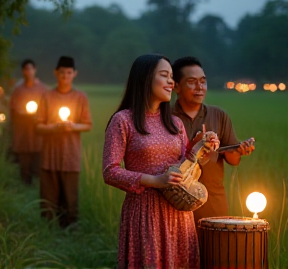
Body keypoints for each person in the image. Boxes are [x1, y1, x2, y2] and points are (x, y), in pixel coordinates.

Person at [103, 54, 210, 269]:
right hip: (145, 214)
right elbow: (110, 171)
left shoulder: (175, 124)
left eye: (172, 76)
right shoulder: (123, 121)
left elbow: (186, 168)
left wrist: (200, 149)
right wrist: (155, 180)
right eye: (164, 75)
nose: (171, 82)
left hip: (179, 215)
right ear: (145, 79)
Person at [172, 56, 255, 232]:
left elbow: (232, 159)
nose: (200, 87)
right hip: (175, 201)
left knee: (214, 255)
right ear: (176, 86)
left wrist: (239, 150)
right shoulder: (167, 117)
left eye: (203, 81)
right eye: (192, 82)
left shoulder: (218, 115)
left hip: (213, 201)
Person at [36, 56, 92, 228]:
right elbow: (38, 126)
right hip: (50, 154)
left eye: (69, 72)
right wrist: (54, 127)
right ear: (56, 73)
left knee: (70, 195)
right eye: (62, 73)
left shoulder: (80, 96)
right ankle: (48, 229)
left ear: (74, 74)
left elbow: (88, 125)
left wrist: (72, 126)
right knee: (49, 194)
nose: (65, 76)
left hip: (70, 155)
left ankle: (70, 228)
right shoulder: (47, 96)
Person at [9, 59, 47, 184]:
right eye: (26, 69)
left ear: (35, 70)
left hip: (38, 132)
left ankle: (37, 185)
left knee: (38, 159)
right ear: (23, 71)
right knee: (24, 160)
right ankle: (24, 185)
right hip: (23, 131)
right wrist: (21, 113)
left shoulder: (43, 89)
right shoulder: (19, 90)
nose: (29, 72)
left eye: (31, 69)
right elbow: (13, 109)